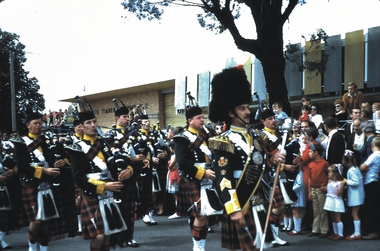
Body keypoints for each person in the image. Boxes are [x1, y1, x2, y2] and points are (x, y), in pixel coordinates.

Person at [11, 110, 77, 251]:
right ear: (28, 125)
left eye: (40, 123)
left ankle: (44, 248)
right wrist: (44, 171)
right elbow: (22, 166)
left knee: (47, 220)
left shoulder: (46, 142)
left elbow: (51, 160)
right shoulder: (20, 143)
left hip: (47, 184)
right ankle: (32, 246)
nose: (38, 126)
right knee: (36, 221)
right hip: (31, 184)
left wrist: (57, 164)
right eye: (35, 123)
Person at [66, 109, 127, 251]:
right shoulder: (76, 149)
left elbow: (121, 161)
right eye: (88, 122)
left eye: (94, 122)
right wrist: (104, 186)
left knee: (107, 235)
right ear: (81, 126)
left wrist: (127, 170)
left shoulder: (105, 144)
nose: (93, 125)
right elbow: (79, 179)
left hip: (110, 195)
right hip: (92, 194)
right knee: (98, 236)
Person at [173, 100, 217, 251]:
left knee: (204, 216)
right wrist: (203, 173)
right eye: (199, 118)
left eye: (202, 117)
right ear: (190, 121)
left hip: (210, 180)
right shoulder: (181, 138)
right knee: (201, 215)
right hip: (193, 179)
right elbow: (183, 162)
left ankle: (200, 245)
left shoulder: (209, 135)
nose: (202, 120)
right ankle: (198, 248)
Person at [107, 102, 139, 248]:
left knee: (129, 210)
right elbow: (107, 159)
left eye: (128, 117)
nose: (127, 119)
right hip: (116, 179)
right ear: (117, 118)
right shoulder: (109, 136)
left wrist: (133, 167)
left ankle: (129, 237)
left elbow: (141, 157)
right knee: (117, 210)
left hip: (131, 178)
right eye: (124, 117)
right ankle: (116, 238)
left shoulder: (134, 134)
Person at [359, 137, 380, 240]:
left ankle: (372, 231)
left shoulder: (374, 155)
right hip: (376, 181)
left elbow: (362, 167)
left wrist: (365, 167)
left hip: (370, 182)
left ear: (372, 146)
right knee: (375, 207)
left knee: (368, 208)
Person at [307, 144, 329, 238]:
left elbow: (329, 175)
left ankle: (324, 229)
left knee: (322, 210)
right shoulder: (310, 164)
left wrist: (326, 186)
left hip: (321, 189)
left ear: (316, 153)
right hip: (313, 188)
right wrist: (309, 191)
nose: (309, 153)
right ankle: (315, 229)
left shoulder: (324, 163)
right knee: (315, 210)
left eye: (310, 152)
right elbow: (309, 178)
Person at [341, 149, 364, 241]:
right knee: (355, 213)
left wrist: (346, 181)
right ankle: (357, 232)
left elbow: (355, 182)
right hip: (357, 194)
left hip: (356, 195)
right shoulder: (355, 168)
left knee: (354, 213)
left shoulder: (351, 170)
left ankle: (357, 233)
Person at [288, 162, 306, 236]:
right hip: (296, 193)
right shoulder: (298, 173)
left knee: (296, 211)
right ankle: (296, 228)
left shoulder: (301, 173)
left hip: (298, 194)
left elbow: (300, 184)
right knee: (294, 211)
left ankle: (297, 229)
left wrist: (291, 190)